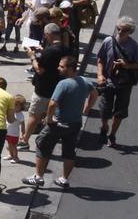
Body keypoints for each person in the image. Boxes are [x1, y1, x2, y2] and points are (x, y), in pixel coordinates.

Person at [23, 54, 91, 189]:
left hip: (59, 123)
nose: (58, 68)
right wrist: (86, 108)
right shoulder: (84, 81)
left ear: (71, 68)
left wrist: (49, 119)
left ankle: (38, 177)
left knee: (42, 145)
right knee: (69, 151)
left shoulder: (63, 84)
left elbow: (52, 104)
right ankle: (64, 179)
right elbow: (94, 94)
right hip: (75, 123)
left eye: (62, 66)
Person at [96, 15, 138, 146]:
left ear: (130, 32)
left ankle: (112, 135)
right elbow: (100, 59)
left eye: (124, 30)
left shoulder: (135, 47)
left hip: (125, 84)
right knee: (105, 109)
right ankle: (104, 127)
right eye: (119, 29)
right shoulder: (108, 41)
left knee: (120, 112)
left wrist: (126, 65)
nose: (120, 32)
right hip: (109, 82)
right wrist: (100, 75)